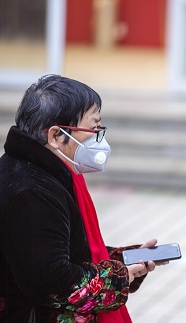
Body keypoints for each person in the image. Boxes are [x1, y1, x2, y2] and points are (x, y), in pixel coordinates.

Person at [0, 75, 167, 322]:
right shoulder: (30, 191)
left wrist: (123, 259)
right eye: (93, 128)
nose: (99, 137)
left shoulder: (42, 171)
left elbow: (59, 251)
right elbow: (55, 283)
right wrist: (119, 276)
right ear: (56, 136)